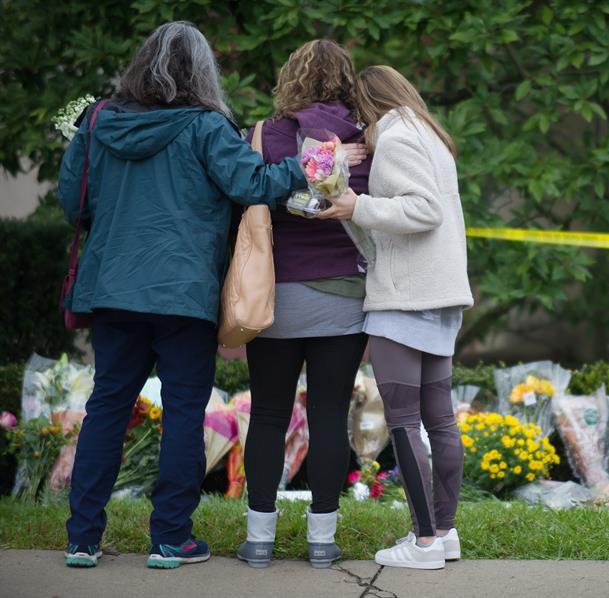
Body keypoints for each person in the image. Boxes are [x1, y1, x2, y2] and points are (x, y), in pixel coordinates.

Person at [58, 21, 307, 570]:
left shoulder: (97, 123)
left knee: (106, 408)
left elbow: (72, 202)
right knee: (184, 414)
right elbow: (254, 185)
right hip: (184, 295)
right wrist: (307, 166)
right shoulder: (206, 127)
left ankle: (82, 539)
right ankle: (171, 538)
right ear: (202, 72)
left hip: (113, 289)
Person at [319, 65, 473, 570]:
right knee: (440, 421)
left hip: (406, 298)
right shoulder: (428, 133)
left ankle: (424, 541)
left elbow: (422, 211)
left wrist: (357, 206)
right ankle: (444, 533)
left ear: (368, 102)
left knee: (404, 423)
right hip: (439, 293)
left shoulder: (397, 137)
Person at [236, 39, 371, 570]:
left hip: (275, 294)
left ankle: (259, 539)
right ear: (347, 80)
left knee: (269, 415)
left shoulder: (262, 135)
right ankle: (322, 540)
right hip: (345, 297)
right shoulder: (365, 138)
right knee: (329, 416)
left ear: (290, 78)